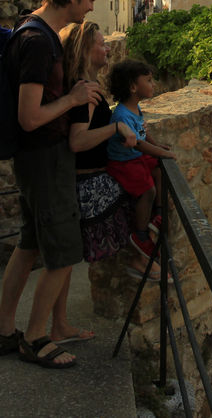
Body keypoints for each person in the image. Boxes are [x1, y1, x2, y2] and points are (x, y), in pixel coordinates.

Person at [0, 0, 103, 370]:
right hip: (45, 157)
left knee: (29, 243)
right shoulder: (39, 42)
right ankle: (36, 338)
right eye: (89, 0)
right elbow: (30, 117)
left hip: (33, 158)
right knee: (65, 251)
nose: (90, 8)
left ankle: (3, 331)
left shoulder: (29, 29)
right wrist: (74, 99)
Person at [59, 22, 164, 280]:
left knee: (151, 172)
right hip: (90, 182)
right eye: (101, 44)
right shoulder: (86, 90)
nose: (107, 48)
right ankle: (143, 253)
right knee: (144, 190)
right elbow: (78, 141)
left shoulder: (86, 84)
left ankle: (145, 252)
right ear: (85, 49)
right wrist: (117, 127)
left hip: (94, 173)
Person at [106, 60, 175, 262]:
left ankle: (159, 215)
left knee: (159, 172)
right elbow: (138, 144)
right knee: (148, 191)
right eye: (149, 80)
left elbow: (143, 133)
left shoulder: (134, 108)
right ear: (133, 87)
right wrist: (161, 153)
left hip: (135, 157)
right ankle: (141, 234)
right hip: (123, 162)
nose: (153, 84)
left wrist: (158, 145)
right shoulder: (122, 115)